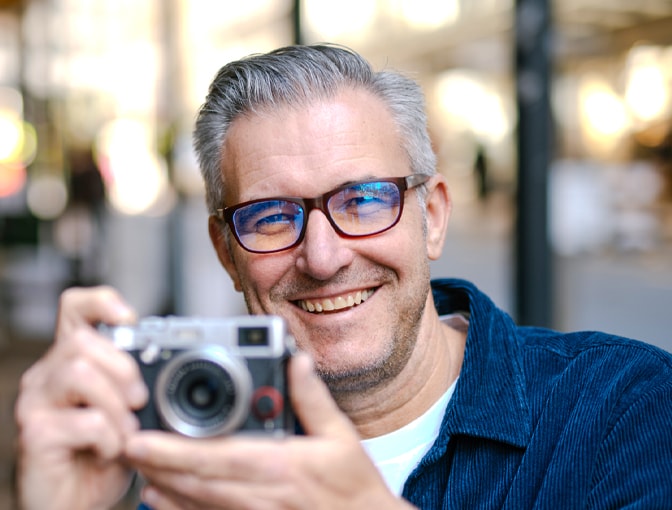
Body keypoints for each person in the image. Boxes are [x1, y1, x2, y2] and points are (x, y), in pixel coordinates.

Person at [14, 44, 672, 510]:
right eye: (271, 217)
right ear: (225, 251)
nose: (324, 258)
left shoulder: (623, 408)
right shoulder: (193, 457)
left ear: (432, 216)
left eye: (362, 201)